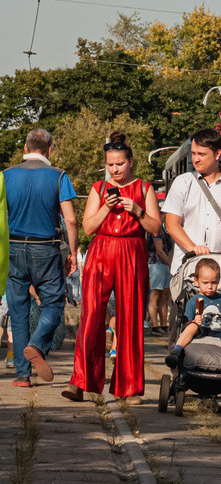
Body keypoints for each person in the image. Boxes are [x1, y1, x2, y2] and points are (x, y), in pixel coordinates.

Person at [63, 132, 162, 402]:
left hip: (132, 251)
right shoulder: (98, 188)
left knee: (130, 319)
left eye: (119, 164)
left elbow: (156, 229)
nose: (115, 169)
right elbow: (88, 228)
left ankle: (129, 388)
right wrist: (106, 209)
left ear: (130, 161)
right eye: (110, 165)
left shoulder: (144, 188)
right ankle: (80, 381)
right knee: (91, 317)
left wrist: (137, 211)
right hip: (101, 252)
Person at [3, 128, 77, 387]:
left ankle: (22, 375)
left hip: (13, 248)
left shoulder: (5, 176)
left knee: (18, 312)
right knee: (53, 304)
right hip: (46, 248)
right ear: (50, 150)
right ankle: (37, 345)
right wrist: (74, 253)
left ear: (25, 148)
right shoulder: (59, 176)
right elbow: (70, 219)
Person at [164, 129, 221, 273]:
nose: (196, 159)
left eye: (201, 154)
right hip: (187, 269)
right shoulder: (182, 182)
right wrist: (193, 248)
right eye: (193, 153)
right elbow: (171, 224)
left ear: (217, 154)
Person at [164, 257, 221, 369]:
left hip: (220, 329)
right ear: (196, 281)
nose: (210, 287)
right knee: (191, 327)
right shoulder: (195, 301)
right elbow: (186, 323)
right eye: (205, 283)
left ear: (219, 281)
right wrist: (194, 321)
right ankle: (176, 350)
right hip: (201, 329)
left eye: (214, 282)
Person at [145, 194, 173, 336]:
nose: (164, 215)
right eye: (161, 213)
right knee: (155, 294)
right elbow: (159, 250)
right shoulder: (156, 229)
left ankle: (163, 324)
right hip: (156, 264)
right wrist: (171, 265)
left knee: (164, 296)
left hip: (163, 265)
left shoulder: (163, 229)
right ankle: (155, 326)